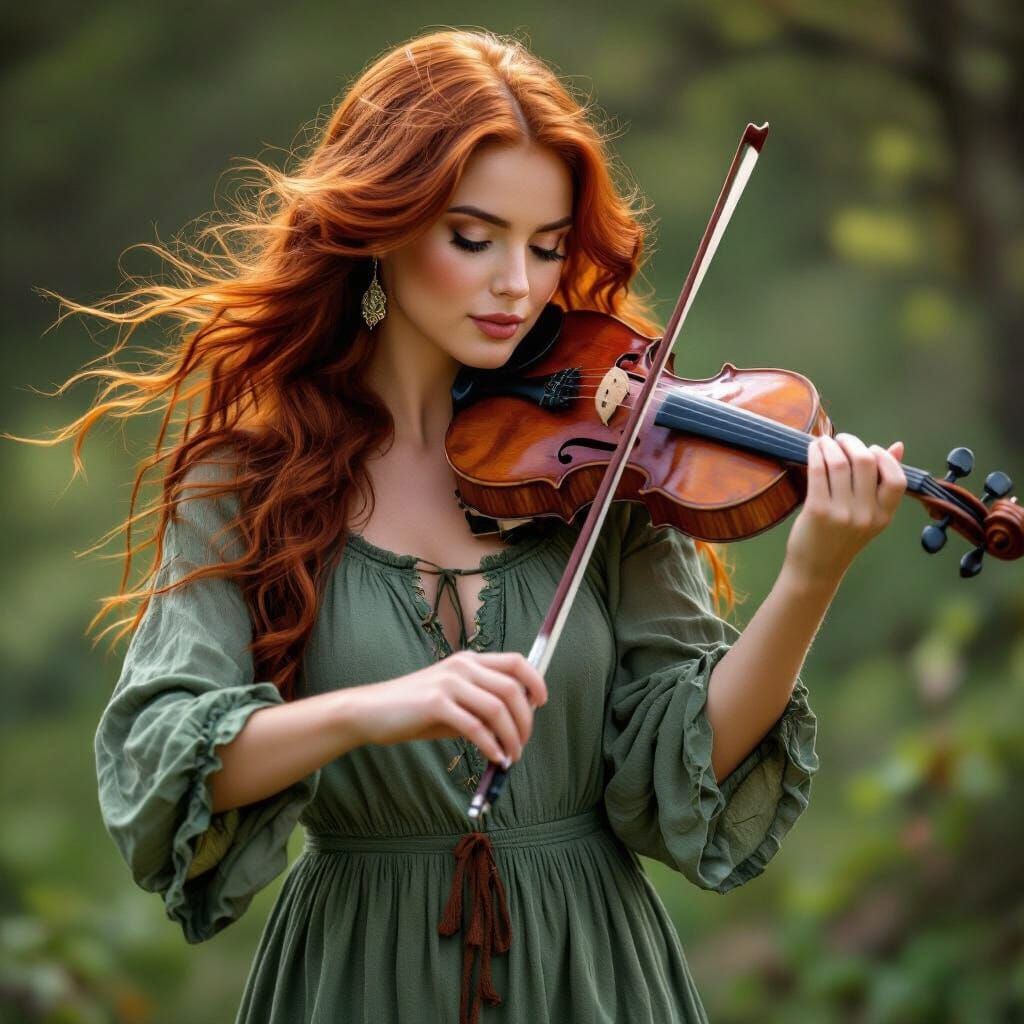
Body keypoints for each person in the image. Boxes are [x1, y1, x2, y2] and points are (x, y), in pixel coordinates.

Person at [42, 27, 905, 1024]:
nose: (517, 286)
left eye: (546, 247)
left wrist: (810, 577)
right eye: (473, 237)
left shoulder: (605, 463)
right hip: (359, 975)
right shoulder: (250, 482)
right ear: (383, 224)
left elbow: (680, 774)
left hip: (593, 974)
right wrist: (379, 707)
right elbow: (159, 764)